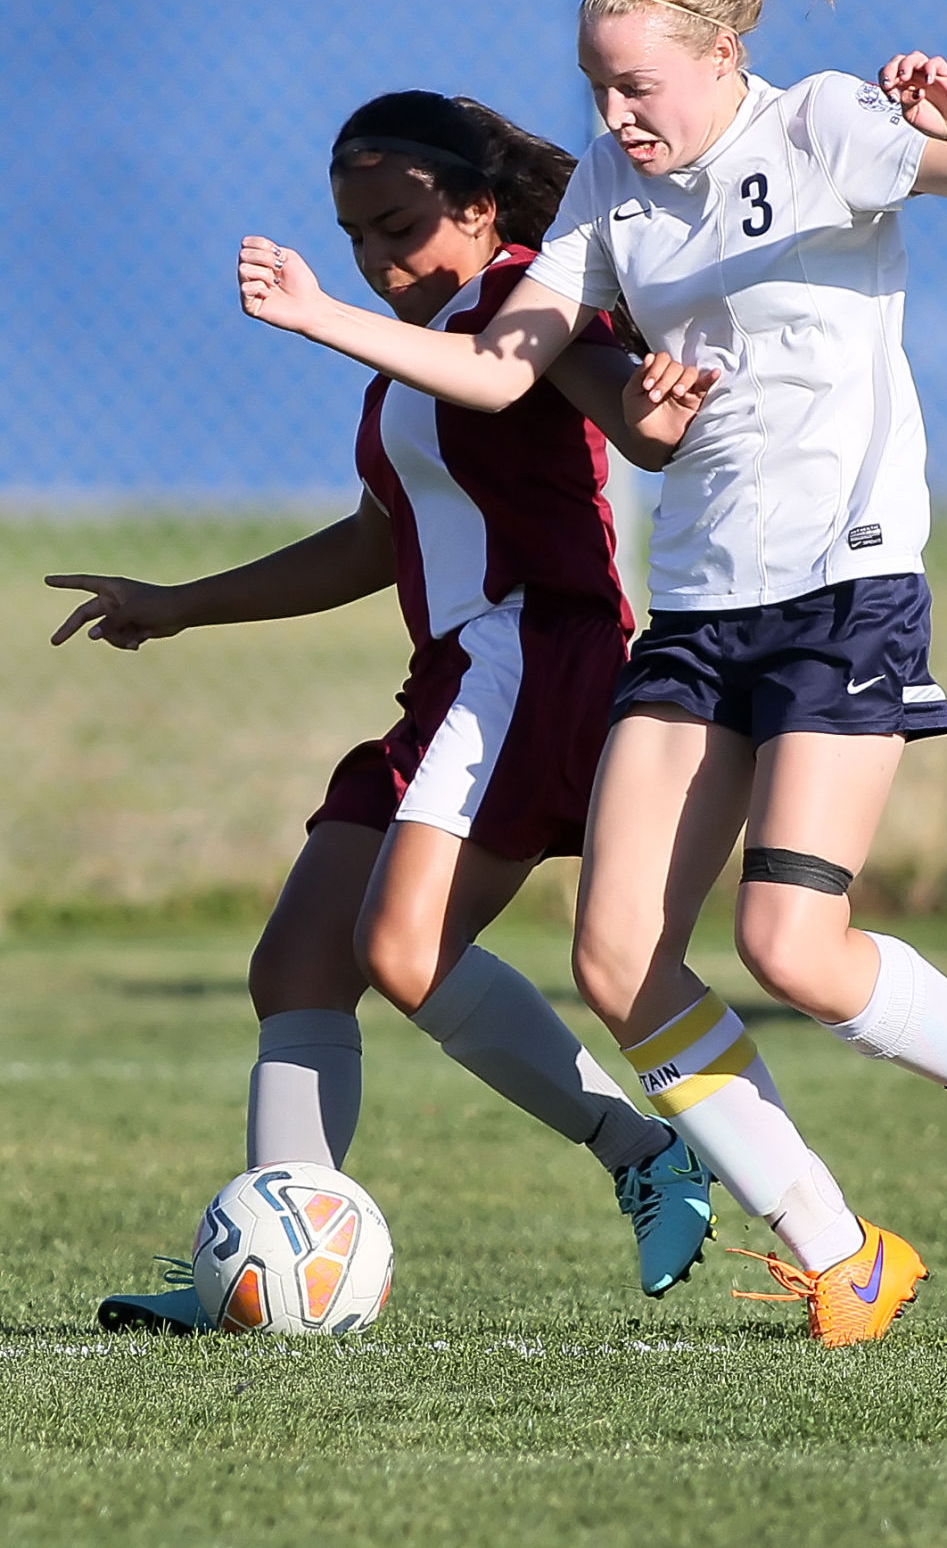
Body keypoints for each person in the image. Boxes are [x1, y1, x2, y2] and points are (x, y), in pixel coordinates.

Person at [235, 0, 947, 1349]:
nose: (613, 116)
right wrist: (330, 321)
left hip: (846, 587)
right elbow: (495, 365)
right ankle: (845, 1254)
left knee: (793, 946)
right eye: (596, 87)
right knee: (614, 957)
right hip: (703, 611)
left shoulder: (830, 126)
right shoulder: (602, 194)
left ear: (722, 55)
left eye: (639, 86)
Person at [47, 90, 721, 1333]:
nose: (380, 259)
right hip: (456, 678)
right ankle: (266, 1276)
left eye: (403, 227)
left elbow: (613, 402)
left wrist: (325, 314)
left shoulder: (525, 301)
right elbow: (378, 538)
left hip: (536, 661)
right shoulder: (431, 335)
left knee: (405, 953)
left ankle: (645, 1151)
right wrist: (180, 603)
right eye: (356, 236)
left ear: (478, 210)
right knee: (297, 963)